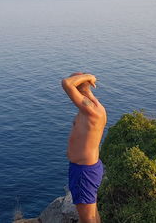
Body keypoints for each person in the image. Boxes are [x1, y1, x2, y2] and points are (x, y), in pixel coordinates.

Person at [61, 72, 107, 223]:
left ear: (79, 89)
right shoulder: (93, 108)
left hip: (83, 171)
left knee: (87, 219)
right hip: (86, 168)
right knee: (92, 214)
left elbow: (66, 83)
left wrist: (88, 76)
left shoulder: (91, 110)